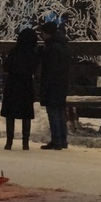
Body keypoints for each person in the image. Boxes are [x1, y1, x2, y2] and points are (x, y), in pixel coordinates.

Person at [0, 28, 39, 150]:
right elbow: (34, 68)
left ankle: (9, 141)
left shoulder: (14, 51)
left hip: (13, 83)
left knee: (10, 113)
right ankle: (25, 142)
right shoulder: (33, 53)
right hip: (26, 84)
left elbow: (6, 67)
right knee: (26, 113)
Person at [37, 20, 70, 150]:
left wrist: (44, 87)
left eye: (43, 33)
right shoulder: (63, 45)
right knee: (60, 111)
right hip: (62, 82)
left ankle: (56, 140)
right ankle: (63, 139)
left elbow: (48, 69)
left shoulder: (51, 48)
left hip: (53, 83)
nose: (42, 36)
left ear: (47, 33)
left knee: (53, 111)